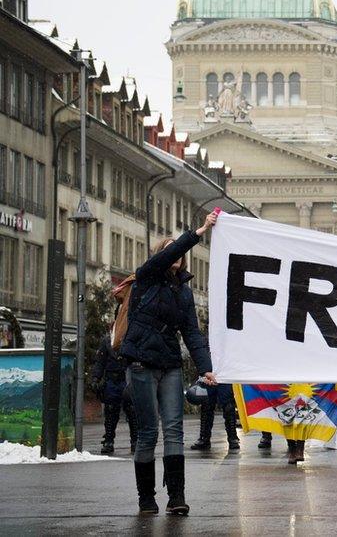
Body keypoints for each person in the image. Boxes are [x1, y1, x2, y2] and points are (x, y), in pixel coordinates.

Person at [120, 210, 218, 516]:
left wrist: (206, 368)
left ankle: (177, 496)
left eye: (179, 251)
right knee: (148, 431)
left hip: (170, 363)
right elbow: (167, 255)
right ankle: (146, 498)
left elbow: (191, 332)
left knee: (174, 430)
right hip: (140, 362)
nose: (175, 254)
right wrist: (199, 232)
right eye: (170, 250)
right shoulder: (146, 277)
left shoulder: (184, 293)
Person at [92, 331, 137, 454]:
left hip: (126, 379)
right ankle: (109, 441)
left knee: (132, 412)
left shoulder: (131, 337)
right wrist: (96, 378)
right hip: (112, 380)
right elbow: (100, 362)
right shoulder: (107, 341)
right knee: (111, 412)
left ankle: (135, 441)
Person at [189, 383, 238, 451]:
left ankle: (233, 438)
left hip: (224, 377)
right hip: (209, 378)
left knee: (229, 406)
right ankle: (204, 438)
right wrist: (204, 373)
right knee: (206, 405)